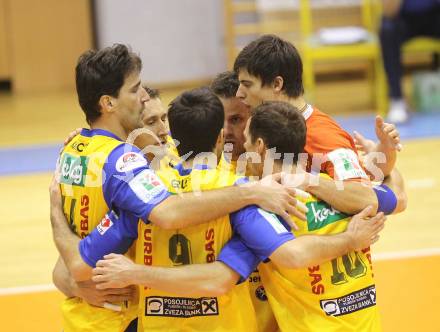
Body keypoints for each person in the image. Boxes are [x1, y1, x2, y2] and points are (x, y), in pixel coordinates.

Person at [50, 91, 386, 332]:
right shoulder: (245, 195)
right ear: (219, 138)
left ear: (172, 136)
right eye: (149, 121)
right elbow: (390, 198)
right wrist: (384, 168)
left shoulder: (140, 196)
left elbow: (77, 263)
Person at [51, 44, 304, 332]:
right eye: (135, 91)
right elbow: (168, 213)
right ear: (108, 103)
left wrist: (57, 221)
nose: (142, 97)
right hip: (122, 319)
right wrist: (252, 191)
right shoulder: (124, 161)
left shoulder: (72, 150)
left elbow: (70, 259)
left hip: (87, 318)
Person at [380, 0, 440, 123]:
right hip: (404, 18)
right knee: (387, 29)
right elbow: (389, 12)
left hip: (435, 15)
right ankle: (397, 100)